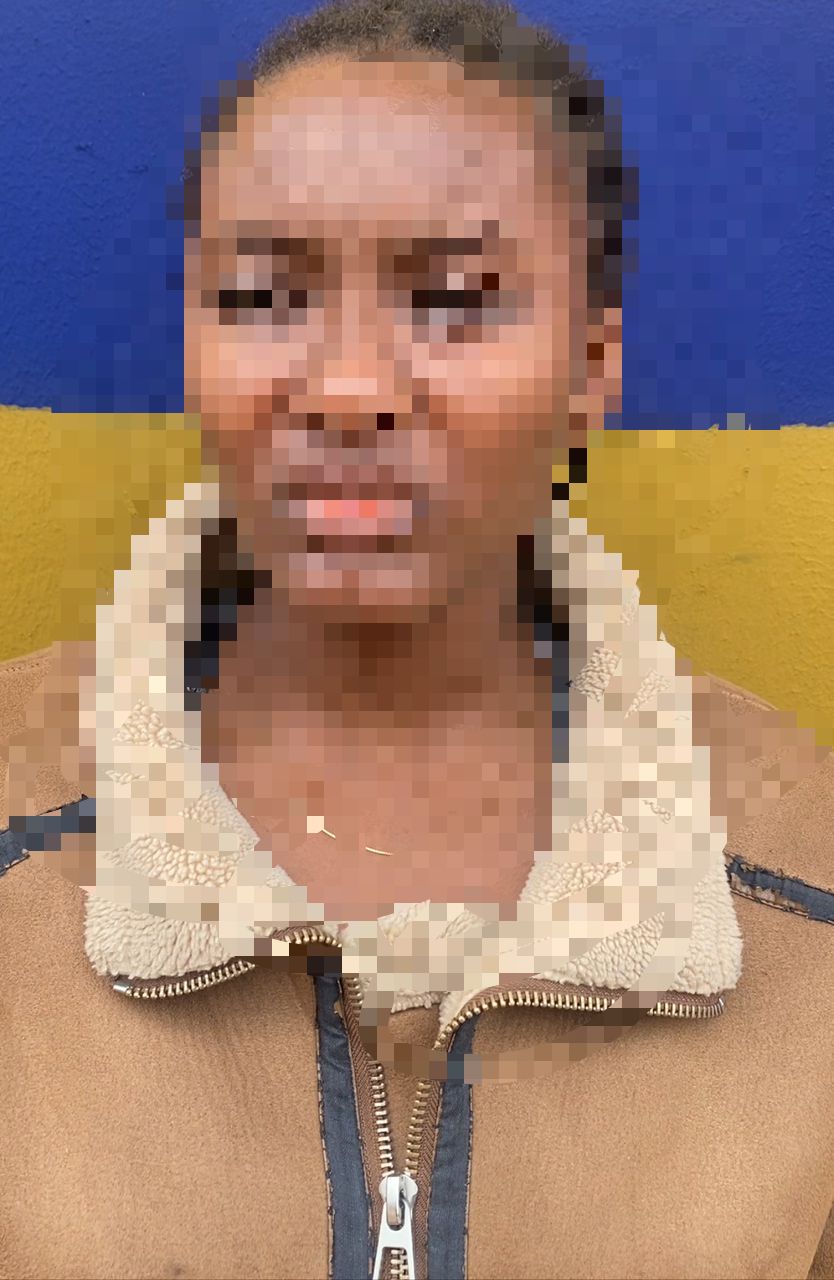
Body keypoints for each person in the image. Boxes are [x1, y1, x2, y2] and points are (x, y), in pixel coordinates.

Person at [2, 2, 833, 1277]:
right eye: (261, 297)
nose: (349, 389)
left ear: (589, 368)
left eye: (453, 298)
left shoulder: (802, 875)